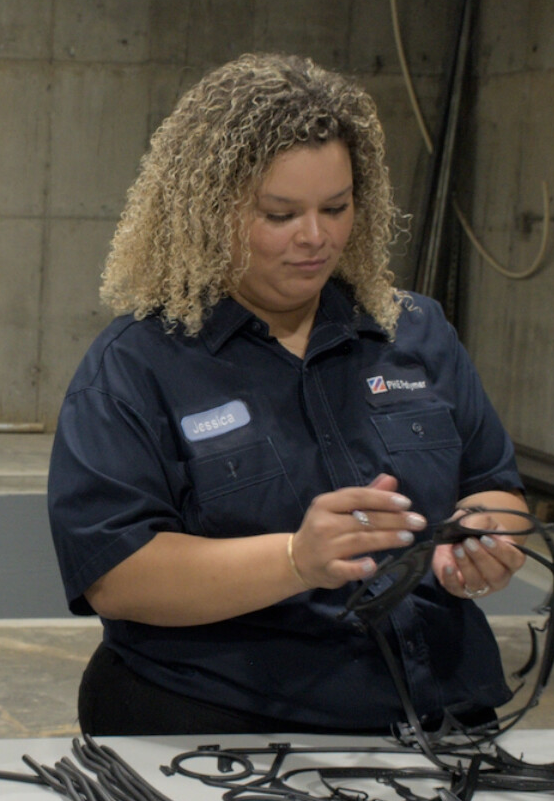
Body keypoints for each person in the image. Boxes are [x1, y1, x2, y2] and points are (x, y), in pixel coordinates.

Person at [47, 53, 529, 736]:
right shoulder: (137, 366)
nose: (316, 237)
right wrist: (293, 561)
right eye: (280, 214)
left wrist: (486, 538)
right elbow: (116, 574)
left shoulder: (415, 334)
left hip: (436, 717)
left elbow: (493, 485)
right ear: (208, 211)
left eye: (336, 207)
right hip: (227, 725)